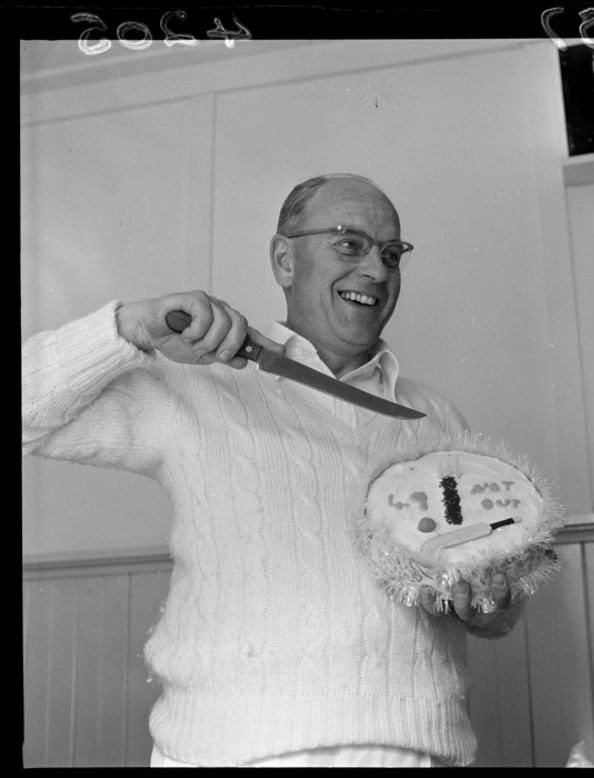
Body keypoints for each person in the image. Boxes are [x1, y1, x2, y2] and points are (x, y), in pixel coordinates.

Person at [22, 173, 526, 768]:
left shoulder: (435, 417)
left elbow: (494, 608)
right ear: (284, 259)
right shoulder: (195, 386)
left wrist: (493, 602)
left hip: (418, 751)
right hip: (229, 751)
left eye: (392, 254)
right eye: (349, 243)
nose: (377, 270)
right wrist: (129, 326)